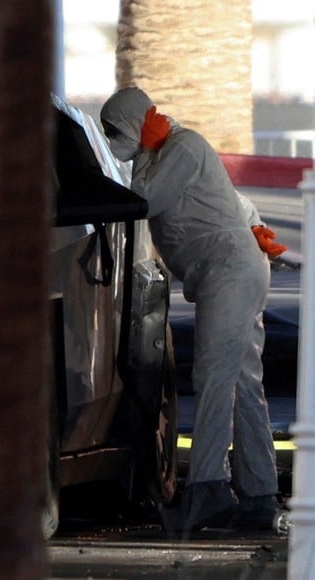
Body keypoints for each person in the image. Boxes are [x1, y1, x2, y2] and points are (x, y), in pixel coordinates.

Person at [99, 87, 287, 535]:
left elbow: (144, 200)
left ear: (134, 123)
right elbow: (227, 197)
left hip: (230, 273)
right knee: (243, 382)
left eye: (114, 130)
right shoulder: (177, 151)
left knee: (213, 378)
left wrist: (145, 151)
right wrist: (252, 222)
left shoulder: (181, 146)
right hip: (230, 272)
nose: (111, 140)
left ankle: (208, 490)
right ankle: (259, 494)